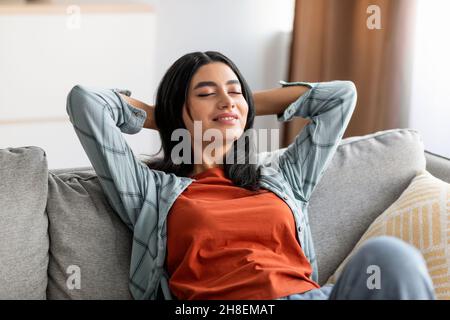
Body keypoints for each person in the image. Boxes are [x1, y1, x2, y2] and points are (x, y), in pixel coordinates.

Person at [66, 51, 435, 300]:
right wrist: (164, 114)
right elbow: (86, 102)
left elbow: (341, 97)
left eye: (235, 91)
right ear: (178, 110)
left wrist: (241, 105)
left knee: (389, 257)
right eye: (206, 93)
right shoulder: (152, 190)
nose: (227, 100)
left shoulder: (282, 179)